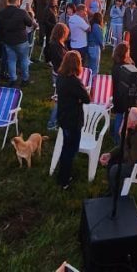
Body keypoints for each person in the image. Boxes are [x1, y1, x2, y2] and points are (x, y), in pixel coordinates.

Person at [99, 107, 137, 197]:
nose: (123, 120)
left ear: (133, 123)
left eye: (126, 119)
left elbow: (130, 160)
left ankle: (118, 198)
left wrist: (123, 137)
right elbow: (127, 147)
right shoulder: (136, 125)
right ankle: (112, 193)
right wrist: (110, 154)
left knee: (115, 170)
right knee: (111, 161)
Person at [55, 50, 90, 189]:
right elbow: (87, 99)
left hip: (63, 117)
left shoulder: (60, 77)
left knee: (66, 147)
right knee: (71, 149)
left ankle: (62, 175)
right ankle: (64, 179)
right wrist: (80, 98)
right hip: (73, 120)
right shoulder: (74, 81)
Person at [0, 0, 35, 86]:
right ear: (17, 1)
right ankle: (25, 79)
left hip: (8, 40)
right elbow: (29, 23)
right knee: (24, 59)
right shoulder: (21, 12)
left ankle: (13, 78)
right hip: (21, 39)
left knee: (11, 60)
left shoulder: (1, 13)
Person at [110, 42, 137, 146]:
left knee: (118, 115)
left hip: (117, 95)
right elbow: (134, 76)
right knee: (123, 118)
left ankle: (115, 138)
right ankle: (120, 140)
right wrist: (132, 63)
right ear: (125, 53)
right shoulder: (126, 67)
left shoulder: (116, 65)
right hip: (125, 96)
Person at [44, 23, 70, 131]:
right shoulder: (55, 46)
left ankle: (60, 119)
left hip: (59, 72)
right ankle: (51, 123)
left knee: (63, 99)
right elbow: (60, 60)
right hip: (60, 74)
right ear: (62, 33)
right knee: (59, 99)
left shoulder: (58, 43)